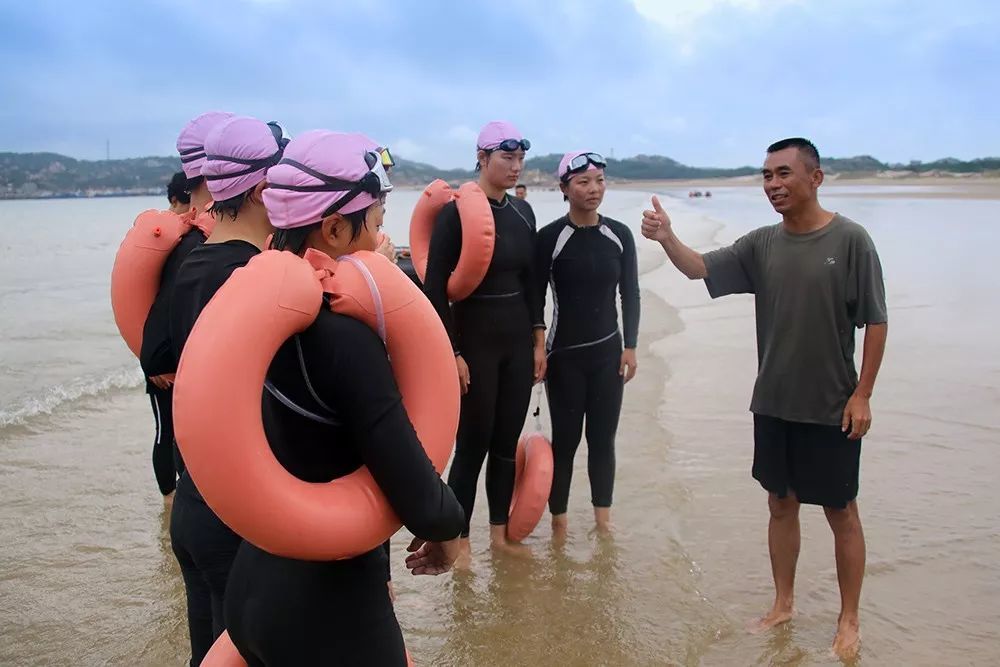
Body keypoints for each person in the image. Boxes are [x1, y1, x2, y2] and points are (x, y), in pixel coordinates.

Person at [219, 130, 465, 666]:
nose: (383, 237)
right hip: (328, 609)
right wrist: (447, 528)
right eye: (375, 224)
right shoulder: (341, 339)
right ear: (333, 228)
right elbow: (409, 476)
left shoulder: (250, 312)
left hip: (252, 588)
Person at [640, 138, 887, 659]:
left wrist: (862, 395)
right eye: (766, 175)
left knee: (841, 511)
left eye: (783, 173)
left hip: (830, 405)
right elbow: (698, 268)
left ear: (815, 178)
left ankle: (848, 617)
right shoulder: (762, 244)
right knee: (780, 505)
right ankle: (784, 603)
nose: (773, 184)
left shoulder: (850, 240)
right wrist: (667, 238)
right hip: (773, 403)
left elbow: (876, 320)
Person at [168, 115, 286, 666]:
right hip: (237, 510)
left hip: (193, 501)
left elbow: (156, 358)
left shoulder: (190, 264)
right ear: (264, 189)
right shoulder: (255, 280)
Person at [423, 121, 546, 560]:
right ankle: (459, 543)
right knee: (472, 444)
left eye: (519, 159)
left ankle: (498, 536)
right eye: (506, 158)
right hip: (473, 342)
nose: (515, 167)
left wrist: (538, 338)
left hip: (516, 341)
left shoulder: (522, 213)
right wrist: (452, 353)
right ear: (482, 159)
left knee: (505, 443)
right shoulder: (455, 214)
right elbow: (435, 288)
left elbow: (533, 282)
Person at [535, 151, 639, 538]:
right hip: (564, 358)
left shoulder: (619, 234)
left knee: (602, 441)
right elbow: (534, 299)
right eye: (583, 182)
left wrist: (631, 345)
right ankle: (559, 525)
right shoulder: (550, 238)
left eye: (599, 180)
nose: (593, 189)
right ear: (564, 188)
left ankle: (603, 522)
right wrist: (537, 345)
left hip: (608, 355)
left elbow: (630, 292)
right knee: (565, 443)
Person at [139, 111, 233, 501]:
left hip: (179, 363)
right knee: (170, 433)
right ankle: (171, 503)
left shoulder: (194, 244)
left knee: (179, 435)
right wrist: (160, 361)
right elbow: (164, 307)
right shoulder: (193, 247)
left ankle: (177, 508)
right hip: (169, 365)